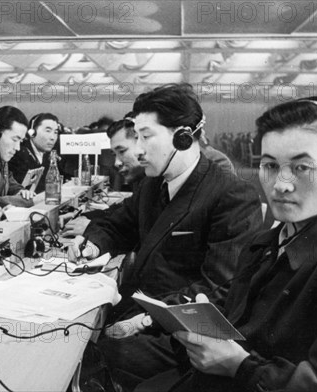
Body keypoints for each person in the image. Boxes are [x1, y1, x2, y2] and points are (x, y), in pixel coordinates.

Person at [138, 97, 317, 392]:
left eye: (301, 168)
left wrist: (240, 366)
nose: (280, 185)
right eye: (270, 165)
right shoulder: (269, 242)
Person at [68, 84, 263, 390]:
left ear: (183, 137)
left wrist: (147, 319)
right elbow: (118, 223)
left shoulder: (231, 195)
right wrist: (93, 242)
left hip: (184, 334)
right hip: (144, 312)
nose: (139, 149)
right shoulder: (152, 186)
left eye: (146, 136)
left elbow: (219, 290)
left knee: (94, 350)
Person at [9, 113, 61, 194]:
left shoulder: (50, 154)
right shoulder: (18, 154)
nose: (53, 137)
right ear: (32, 132)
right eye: (48, 131)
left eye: (55, 132)